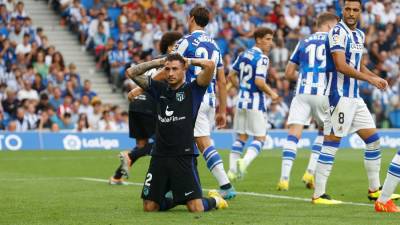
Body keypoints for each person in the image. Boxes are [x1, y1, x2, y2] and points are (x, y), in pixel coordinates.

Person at [312, 0, 399, 205]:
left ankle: (374, 190)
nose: (351, 13)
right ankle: (318, 194)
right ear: (342, 10)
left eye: (355, 10)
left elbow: (358, 65)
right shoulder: (337, 32)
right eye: (348, 9)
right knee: (332, 142)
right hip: (338, 95)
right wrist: (369, 79)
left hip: (354, 98)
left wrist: (376, 76)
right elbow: (341, 66)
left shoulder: (358, 34)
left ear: (360, 12)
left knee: (373, 140)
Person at [126, 53, 227, 212]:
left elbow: (210, 65)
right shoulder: (158, 89)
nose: (171, 73)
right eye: (167, 69)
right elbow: (131, 72)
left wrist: (189, 61)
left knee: (196, 208)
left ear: (184, 69)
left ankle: (215, 200)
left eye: (175, 69)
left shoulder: (194, 89)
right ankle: (176, 199)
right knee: (149, 207)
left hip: (183, 156)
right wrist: (158, 62)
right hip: (159, 155)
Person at [173, 5, 235, 199]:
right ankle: (180, 185)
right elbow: (223, 81)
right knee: (186, 141)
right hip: (209, 99)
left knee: (202, 142)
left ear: (191, 19)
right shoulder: (215, 46)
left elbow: (171, 67)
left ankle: (226, 185)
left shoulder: (185, 42)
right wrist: (222, 110)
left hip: (192, 99)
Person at [109, 31, 183, 185]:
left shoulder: (155, 60)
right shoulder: (170, 64)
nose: (180, 46)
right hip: (149, 104)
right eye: (176, 44)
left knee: (141, 146)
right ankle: (130, 158)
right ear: (170, 47)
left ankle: (117, 176)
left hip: (136, 104)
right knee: (160, 143)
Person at [276, 12, 339, 191]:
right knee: (324, 132)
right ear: (328, 26)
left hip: (302, 92)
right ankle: (310, 172)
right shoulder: (332, 42)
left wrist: (304, 77)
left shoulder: (303, 41)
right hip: (323, 92)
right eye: (334, 26)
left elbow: (288, 73)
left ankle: (284, 178)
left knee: (294, 132)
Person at [227, 27, 279, 181]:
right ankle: (244, 162)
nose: (271, 43)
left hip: (241, 101)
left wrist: (240, 87)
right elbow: (259, 82)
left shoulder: (243, 55)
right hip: (255, 103)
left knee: (241, 137)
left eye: (271, 39)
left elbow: (231, 75)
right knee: (260, 139)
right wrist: (272, 93)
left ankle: (231, 171)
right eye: (268, 39)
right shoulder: (262, 58)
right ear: (258, 39)